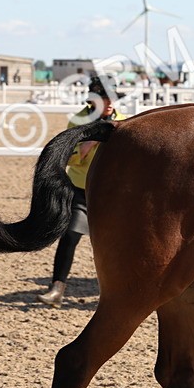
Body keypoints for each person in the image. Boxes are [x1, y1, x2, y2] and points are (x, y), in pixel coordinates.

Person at [36, 78, 127, 306]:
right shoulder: (77, 121)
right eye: (106, 98)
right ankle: (57, 288)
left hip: (111, 193)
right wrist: (91, 140)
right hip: (81, 189)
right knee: (69, 236)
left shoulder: (124, 122)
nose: (110, 103)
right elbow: (71, 159)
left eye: (112, 99)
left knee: (115, 243)